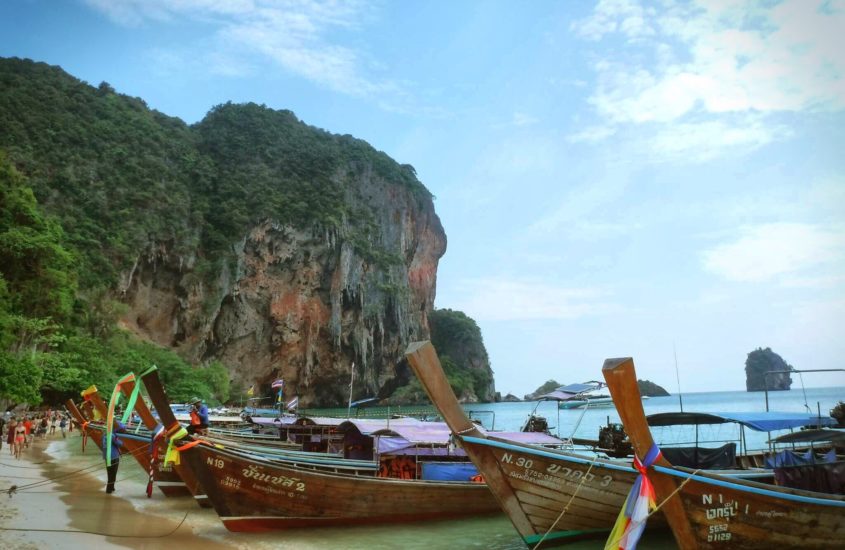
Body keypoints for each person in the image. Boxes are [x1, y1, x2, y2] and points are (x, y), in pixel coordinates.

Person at [102, 422, 126, 494]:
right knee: (113, 473)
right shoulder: (112, 436)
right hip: (114, 456)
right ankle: (109, 489)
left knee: (110, 473)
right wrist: (121, 440)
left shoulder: (105, 435)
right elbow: (120, 444)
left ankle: (111, 487)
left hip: (107, 457)